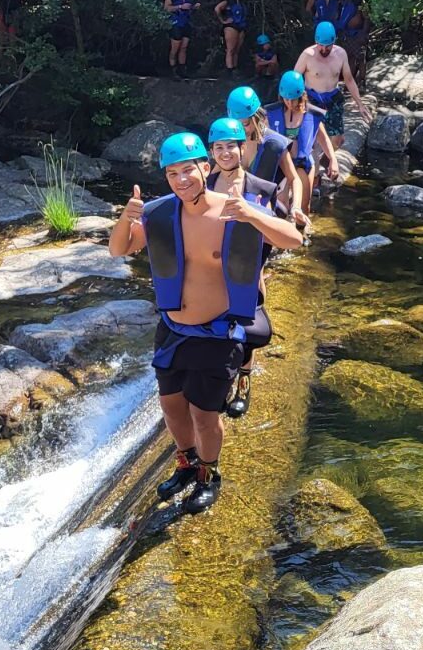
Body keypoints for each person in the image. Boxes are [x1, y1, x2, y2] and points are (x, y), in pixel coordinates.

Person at [109, 132, 303, 513]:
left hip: (217, 332)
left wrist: (253, 214)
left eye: (188, 170)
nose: (182, 180)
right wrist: (126, 217)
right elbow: (119, 248)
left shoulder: (234, 209)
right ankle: (186, 463)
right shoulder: (160, 213)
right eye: (172, 173)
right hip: (173, 330)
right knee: (171, 405)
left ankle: (208, 475)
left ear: (205, 167)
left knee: (203, 412)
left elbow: (293, 239)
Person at [207, 116, 279, 420]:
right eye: (219, 148)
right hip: (211, 267)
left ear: (242, 148)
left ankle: (244, 382)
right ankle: (221, 379)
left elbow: (272, 233)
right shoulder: (204, 184)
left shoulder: (261, 187)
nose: (225, 153)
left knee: (249, 330)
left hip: (247, 268)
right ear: (211, 152)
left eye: (231, 147)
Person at [226, 85, 310, 227]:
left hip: (264, 212)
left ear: (256, 117)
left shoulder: (274, 143)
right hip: (236, 210)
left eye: (245, 124)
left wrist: (295, 207)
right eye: (237, 125)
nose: (241, 131)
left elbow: (294, 178)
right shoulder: (227, 143)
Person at [269, 70, 338, 215]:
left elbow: (323, 138)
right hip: (281, 165)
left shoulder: (312, 115)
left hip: (303, 163)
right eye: (286, 99)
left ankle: (302, 233)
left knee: (303, 207)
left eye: (293, 99)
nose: (289, 103)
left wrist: (333, 159)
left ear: (301, 96)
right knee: (280, 206)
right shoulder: (272, 114)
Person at [294, 21, 372, 149]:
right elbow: (294, 80)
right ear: (316, 41)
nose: (324, 50)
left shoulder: (340, 54)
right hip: (312, 99)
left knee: (338, 140)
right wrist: (295, 103)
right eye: (321, 46)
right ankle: (313, 164)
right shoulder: (307, 55)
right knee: (311, 140)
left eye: (328, 46)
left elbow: (349, 80)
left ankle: (329, 163)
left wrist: (360, 104)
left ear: (334, 42)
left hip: (333, 98)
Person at [163, 0, 200, 78]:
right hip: (176, 22)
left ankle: (182, 69)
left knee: (184, 46)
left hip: (186, 22)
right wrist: (179, 7)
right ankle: (172, 69)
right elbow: (166, 8)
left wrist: (194, 6)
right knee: (175, 47)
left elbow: (190, 6)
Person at [337, 0, 370, 90]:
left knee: (361, 58)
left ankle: (362, 82)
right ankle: (349, 82)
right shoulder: (344, 1)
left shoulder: (361, 2)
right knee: (349, 58)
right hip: (347, 34)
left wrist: (364, 33)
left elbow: (366, 18)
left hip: (358, 34)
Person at [214, 0, 248, 77]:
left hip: (240, 26)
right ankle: (229, 70)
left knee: (236, 49)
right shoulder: (228, 1)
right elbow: (217, 9)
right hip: (231, 27)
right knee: (230, 49)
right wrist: (223, 21)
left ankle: (235, 68)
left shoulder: (242, 2)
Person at [252, 33, 279, 99]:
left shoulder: (272, 52)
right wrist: (267, 62)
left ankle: (271, 76)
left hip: (271, 68)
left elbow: (274, 61)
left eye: (267, 43)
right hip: (263, 68)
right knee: (258, 66)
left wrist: (264, 61)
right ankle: (258, 75)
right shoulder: (258, 52)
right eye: (265, 44)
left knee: (272, 64)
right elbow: (258, 62)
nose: (267, 45)